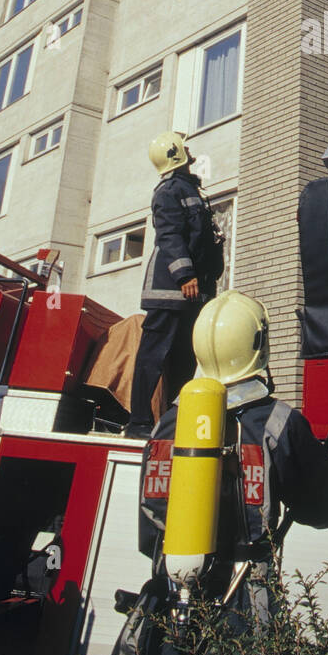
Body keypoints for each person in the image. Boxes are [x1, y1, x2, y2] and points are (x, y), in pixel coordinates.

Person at [108, 291, 328, 655]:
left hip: (171, 600)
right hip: (244, 604)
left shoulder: (168, 423)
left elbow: (150, 526)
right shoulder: (280, 423)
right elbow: (322, 511)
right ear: (258, 344)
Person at [124, 131, 225, 440]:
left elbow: (198, 238)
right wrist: (185, 275)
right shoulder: (168, 191)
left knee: (183, 358)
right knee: (154, 355)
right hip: (171, 289)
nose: (189, 148)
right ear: (175, 153)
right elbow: (169, 235)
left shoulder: (190, 189)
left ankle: (170, 423)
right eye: (184, 146)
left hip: (192, 292)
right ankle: (139, 423)